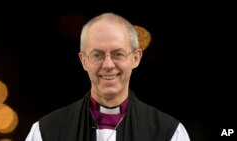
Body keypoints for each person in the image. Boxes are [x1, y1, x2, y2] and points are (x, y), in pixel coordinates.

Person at [25, 12, 190, 141]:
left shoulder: (169, 133)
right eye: (97, 55)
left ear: (136, 58)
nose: (108, 65)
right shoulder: (46, 131)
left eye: (118, 54)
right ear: (83, 61)